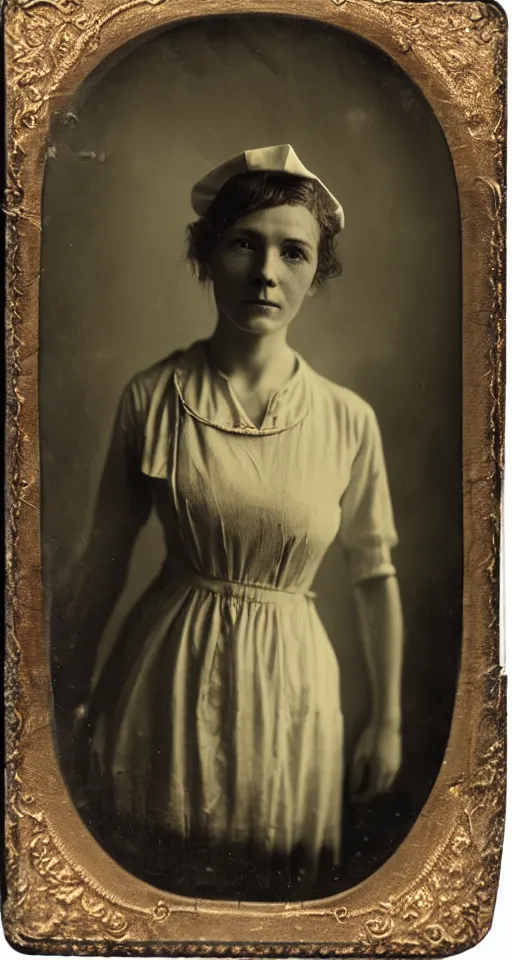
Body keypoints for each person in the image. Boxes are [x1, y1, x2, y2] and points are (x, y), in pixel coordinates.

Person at [52, 144, 403, 899]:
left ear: (317, 273)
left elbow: (374, 574)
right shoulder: (152, 399)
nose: (267, 272)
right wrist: (66, 693)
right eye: (245, 243)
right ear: (208, 256)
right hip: (167, 676)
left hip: (294, 683)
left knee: (275, 886)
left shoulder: (348, 421)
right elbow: (103, 560)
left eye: (294, 252)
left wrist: (389, 721)